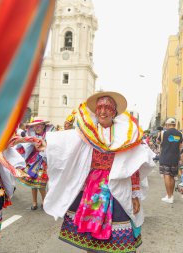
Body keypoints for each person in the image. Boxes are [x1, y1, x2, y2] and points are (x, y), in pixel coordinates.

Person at [37, 91, 155, 253]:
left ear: (114, 112)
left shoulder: (125, 136)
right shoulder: (87, 133)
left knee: (120, 239)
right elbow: (65, 146)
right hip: (92, 189)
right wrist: (46, 146)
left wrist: (135, 195)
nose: (103, 111)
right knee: (90, 238)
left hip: (118, 187)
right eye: (100, 107)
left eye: (107, 107)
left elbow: (132, 165)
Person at [1, 117, 54, 210]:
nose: (37, 128)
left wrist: (44, 147)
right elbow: (23, 146)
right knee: (33, 183)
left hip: (43, 163)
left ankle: (44, 200)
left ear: (43, 127)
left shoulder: (48, 137)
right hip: (33, 161)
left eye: (39, 126)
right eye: (35, 127)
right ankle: (34, 202)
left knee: (41, 184)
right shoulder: (32, 137)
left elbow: (51, 150)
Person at [157, 118, 183, 204]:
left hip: (165, 157)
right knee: (172, 176)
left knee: (167, 176)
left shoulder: (163, 133)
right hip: (175, 157)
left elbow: (158, 142)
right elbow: (180, 146)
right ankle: (171, 195)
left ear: (167, 125)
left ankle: (169, 196)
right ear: (175, 125)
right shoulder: (180, 134)